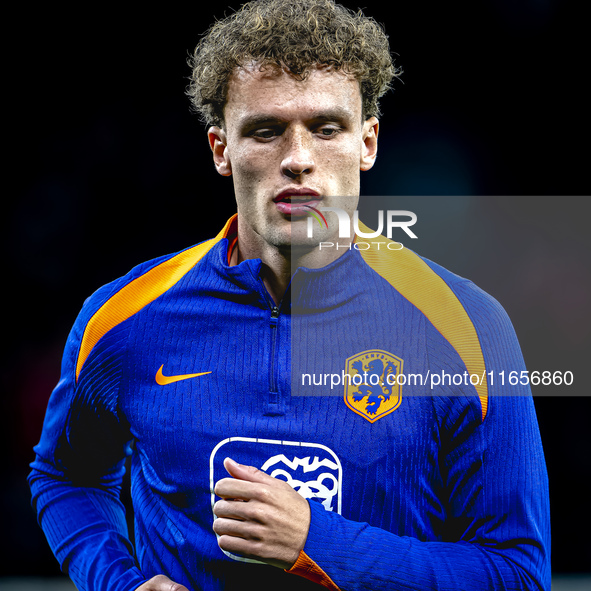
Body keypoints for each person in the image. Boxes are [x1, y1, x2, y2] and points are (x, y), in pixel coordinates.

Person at [29, 1, 550, 590]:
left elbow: (516, 573)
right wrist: (118, 583)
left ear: (367, 143)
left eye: (327, 129)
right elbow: (64, 477)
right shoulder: (125, 319)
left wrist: (314, 540)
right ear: (222, 149)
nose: (298, 160)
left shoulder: (467, 328)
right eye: (266, 131)